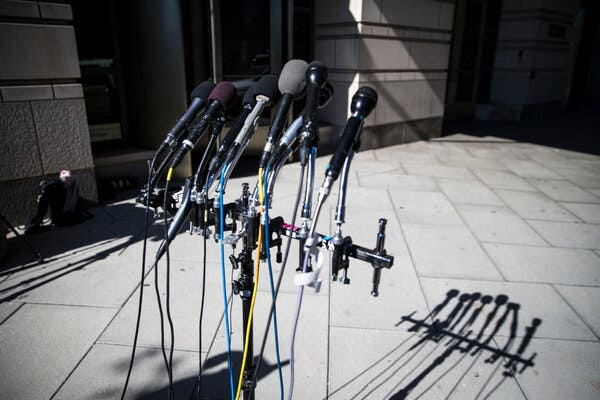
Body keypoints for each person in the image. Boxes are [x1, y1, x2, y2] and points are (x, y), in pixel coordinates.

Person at [25, 170, 92, 234]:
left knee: (74, 218)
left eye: (70, 179)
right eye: (66, 179)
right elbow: (45, 204)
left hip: (69, 214)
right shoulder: (54, 188)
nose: (68, 181)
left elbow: (76, 202)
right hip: (61, 216)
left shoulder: (73, 187)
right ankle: (34, 223)